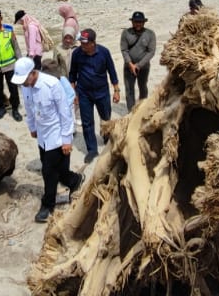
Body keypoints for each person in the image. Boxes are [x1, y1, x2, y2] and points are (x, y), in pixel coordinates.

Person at [14, 58, 83, 223]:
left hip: (57, 135)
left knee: (48, 172)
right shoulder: (26, 87)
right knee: (59, 170)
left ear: (33, 73)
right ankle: (75, 180)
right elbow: (29, 108)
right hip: (42, 136)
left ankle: (47, 205)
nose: (22, 83)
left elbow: (65, 113)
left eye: (24, 79)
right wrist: (32, 127)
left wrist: (67, 140)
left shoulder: (52, 85)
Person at [69, 29, 120, 163]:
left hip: (102, 92)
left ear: (93, 42)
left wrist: (116, 90)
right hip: (84, 92)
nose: (82, 46)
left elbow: (112, 71)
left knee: (106, 118)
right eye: (81, 43)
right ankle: (92, 149)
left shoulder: (104, 52)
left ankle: (107, 138)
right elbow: (72, 75)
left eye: (85, 43)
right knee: (87, 122)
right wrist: (73, 93)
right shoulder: (76, 54)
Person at [119, 12, 157, 110]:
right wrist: (130, 64)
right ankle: (131, 112)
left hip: (143, 67)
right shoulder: (126, 33)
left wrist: (138, 65)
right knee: (129, 90)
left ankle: (142, 109)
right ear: (132, 22)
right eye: (136, 22)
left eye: (140, 22)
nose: (138, 24)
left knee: (143, 87)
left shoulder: (150, 34)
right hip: (129, 66)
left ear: (144, 22)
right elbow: (124, 50)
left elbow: (151, 52)